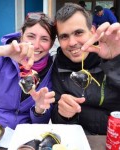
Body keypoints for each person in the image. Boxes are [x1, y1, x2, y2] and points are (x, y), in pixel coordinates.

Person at [0, 12, 56, 129]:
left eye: (44, 39)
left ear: (51, 44)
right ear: (21, 36)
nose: (36, 45)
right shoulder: (3, 59)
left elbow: (40, 125)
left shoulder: (52, 71)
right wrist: (2, 51)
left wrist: (39, 110)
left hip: (23, 136)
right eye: (31, 36)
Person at [51, 3, 120, 135]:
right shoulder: (57, 66)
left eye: (78, 32)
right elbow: (56, 117)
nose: (72, 43)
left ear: (93, 31)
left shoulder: (114, 52)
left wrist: (116, 60)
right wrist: (63, 114)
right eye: (64, 36)